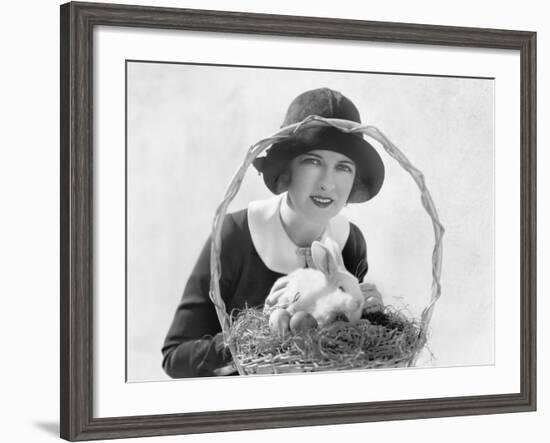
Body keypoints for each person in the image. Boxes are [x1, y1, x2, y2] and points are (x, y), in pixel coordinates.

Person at [161, 87, 385, 378]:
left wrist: (371, 316)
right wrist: (255, 337)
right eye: (313, 161)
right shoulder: (235, 234)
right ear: (287, 169)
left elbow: (342, 352)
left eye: (343, 167)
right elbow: (176, 358)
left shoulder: (350, 242)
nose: (328, 183)